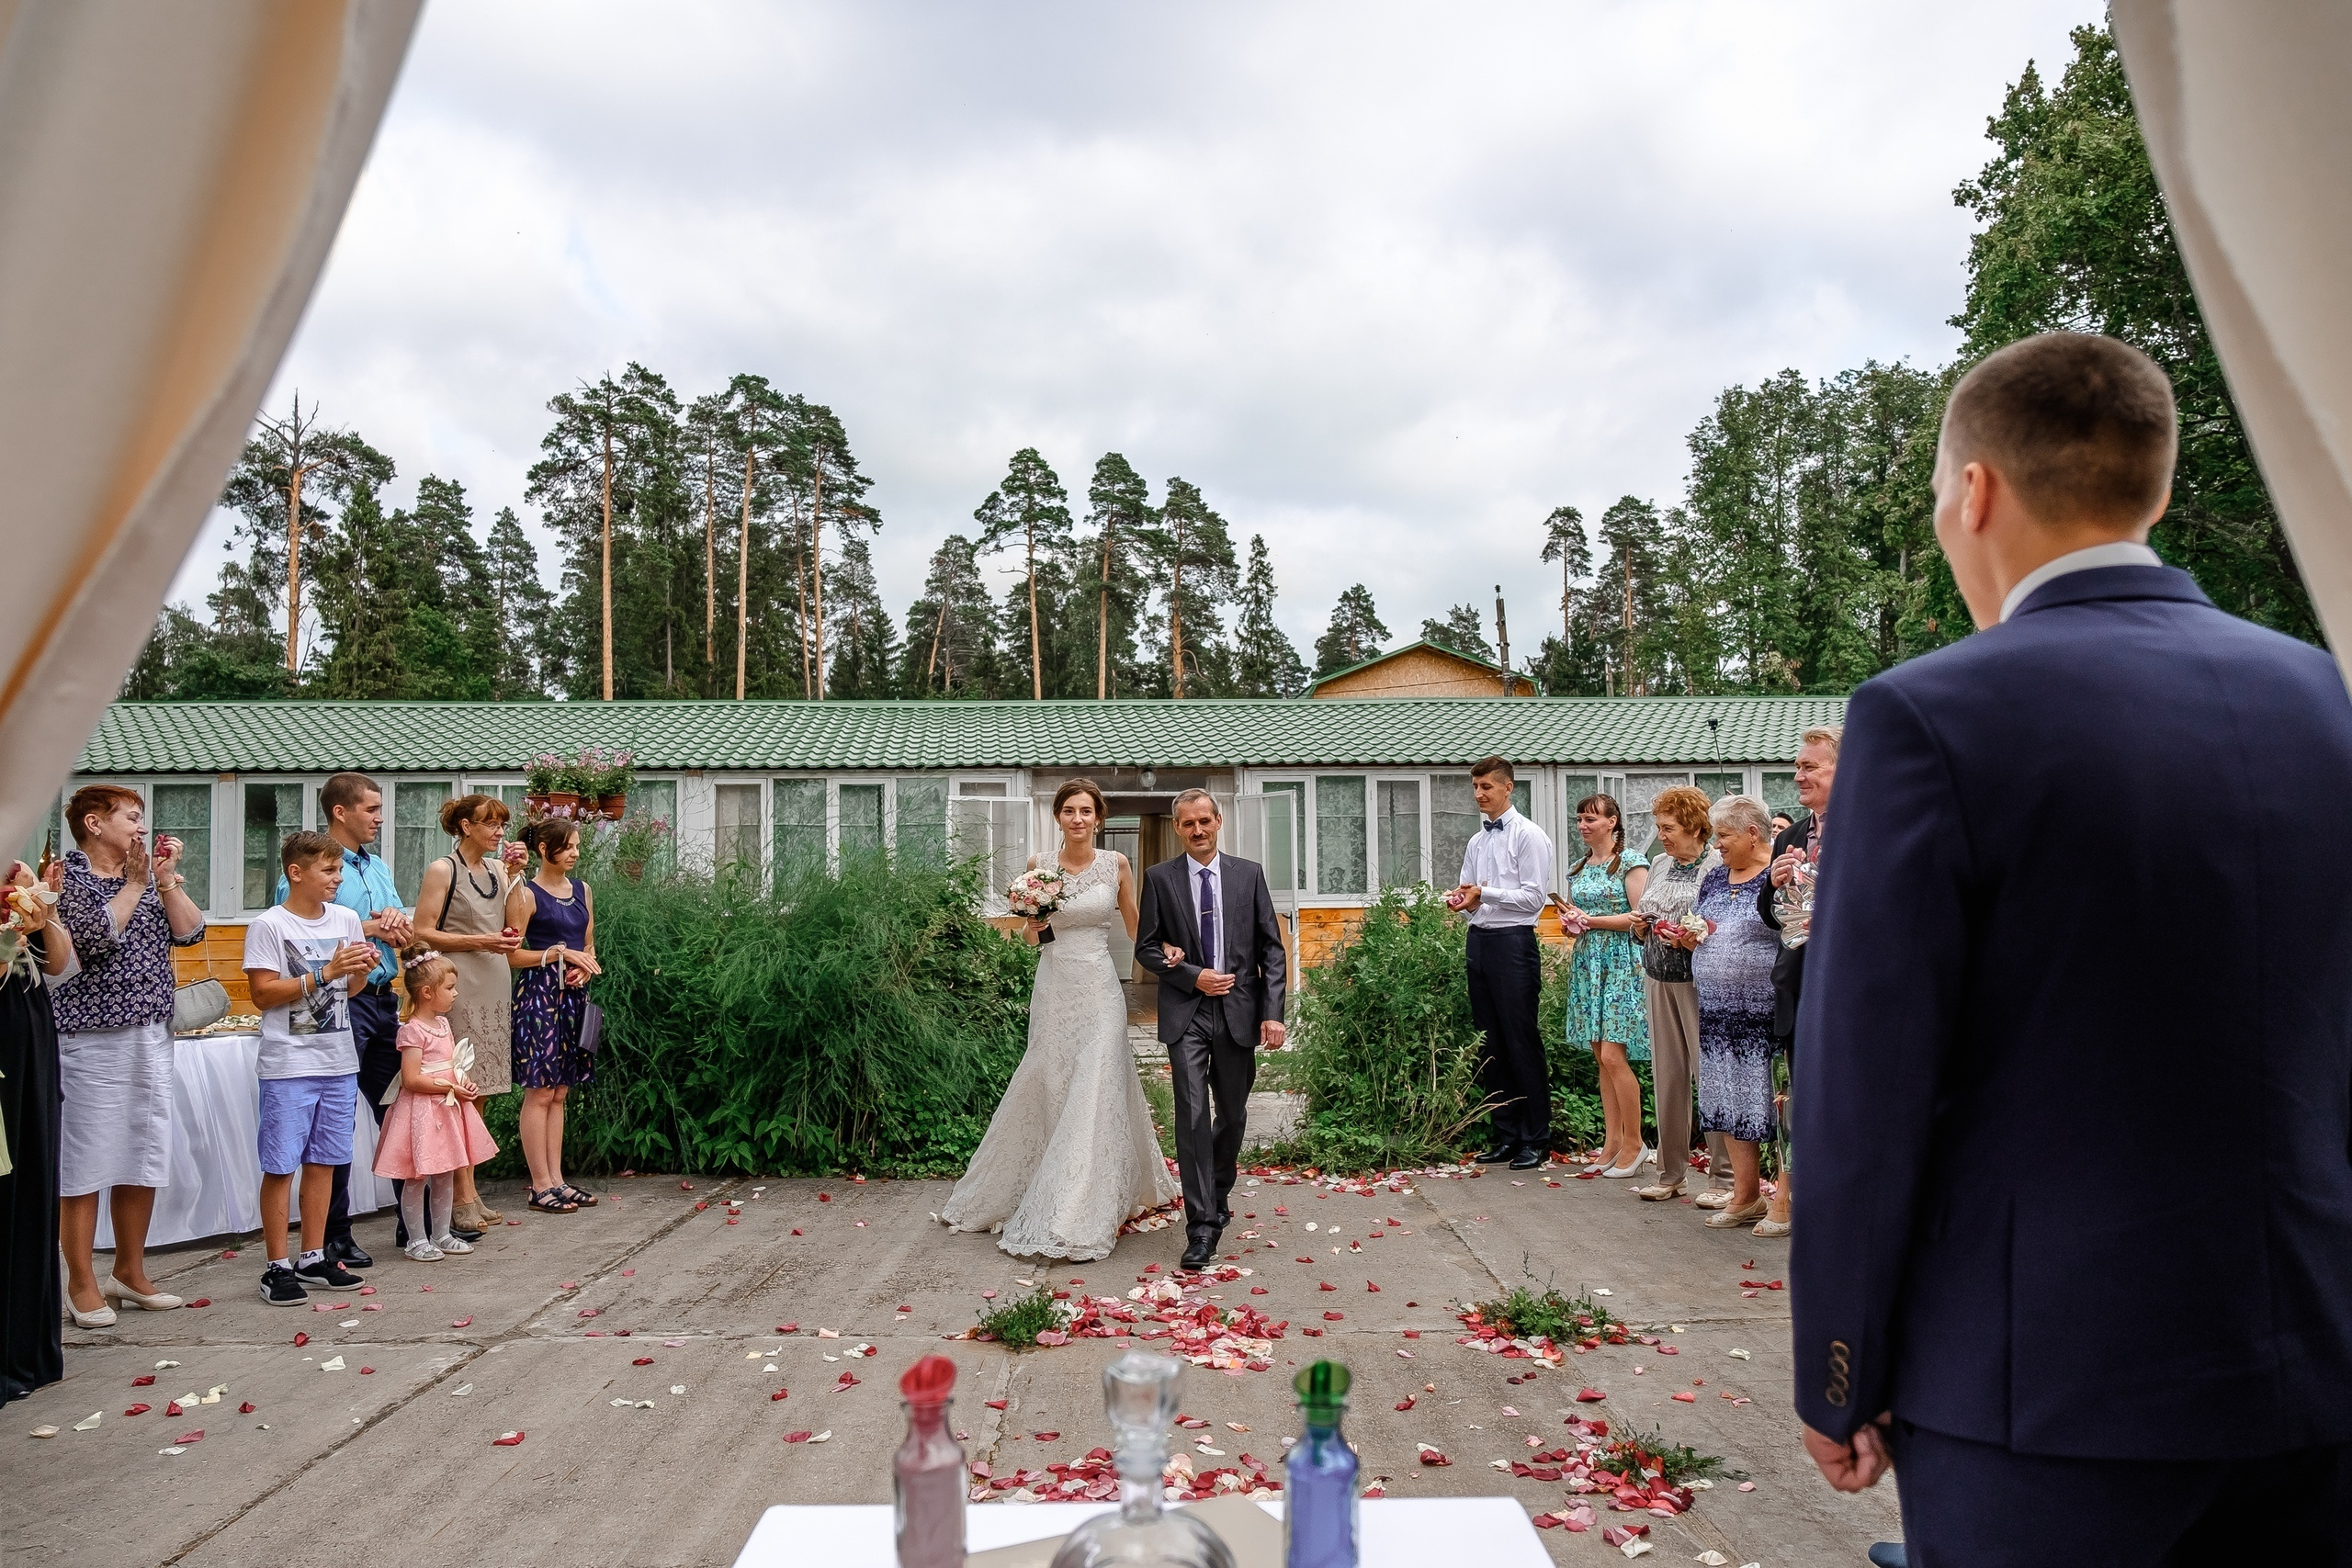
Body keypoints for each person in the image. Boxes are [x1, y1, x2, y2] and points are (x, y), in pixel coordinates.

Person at [1792, 333, 2352, 1561]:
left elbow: (1865, 1083)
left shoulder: (1929, 715)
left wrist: (1841, 1362)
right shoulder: (2322, 694)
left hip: (2039, 1392)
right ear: (2150, 486)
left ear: (1976, 490)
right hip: (2312, 1363)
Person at [943, 779, 1182, 1261]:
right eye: (1069, 810)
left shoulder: (1116, 865)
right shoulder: (1038, 869)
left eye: (1086, 811)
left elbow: (1137, 927)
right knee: (1052, 1081)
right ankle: (1047, 1183)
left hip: (1099, 990)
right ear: (1058, 816)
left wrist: (1169, 954)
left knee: (1097, 1083)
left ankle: (1083, 1201)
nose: (1078, 818)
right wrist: (1034, 926)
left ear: (1099, 818)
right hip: (1054, 989)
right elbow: (1034, 944)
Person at [53, 784, 205, 1325]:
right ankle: (81, 1282)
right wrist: (138, 884)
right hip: (89, 1039)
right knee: (87, 1162)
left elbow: (191, 933)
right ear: (94, 824)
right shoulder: (68, 877)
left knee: (142, 1156)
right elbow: (92, 940)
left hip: (150, 1032)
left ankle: (129, 1272)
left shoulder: (141, 878)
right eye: (132, 817)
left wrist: (162, 883)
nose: (142, 827)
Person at [1134, 788, 1288, 1270]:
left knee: (1234, 1114)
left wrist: (1273, 1011)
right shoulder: (1161, 878)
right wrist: (1188, 974)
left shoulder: (1249, 875)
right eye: (1187, 823)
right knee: (1193, 1114)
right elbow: (1146, 948)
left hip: (1240, 1012)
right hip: (1187, 1013)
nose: (1197, 830)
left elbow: (1271, 949)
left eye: (1204, 820)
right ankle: (1201, 1226)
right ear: (1177, 828)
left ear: (1218, 821)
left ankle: (1217, 1189)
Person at [285, 773, 416, 1266]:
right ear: (341, 812)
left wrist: (397, 925)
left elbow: (395, 919)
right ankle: (334, 1235)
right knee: (334, 1117)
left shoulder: (377, 865)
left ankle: (414, 1223)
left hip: (384, 996)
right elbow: (299, 921)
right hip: (339, 1002)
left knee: (403, 1106)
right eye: (372, 809)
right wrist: (370, 925)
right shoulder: (306, 866)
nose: (380, 818)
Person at [241, 830, 374, 1305]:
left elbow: (351, 992)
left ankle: (312, 1256)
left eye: (339, 870)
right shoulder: (269, 925)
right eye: (328, 870)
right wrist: (324, 972)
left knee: (325, 1163)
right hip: (288, 1065)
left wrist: (360, 969)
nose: (338, 879)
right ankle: (276, 1266)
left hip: (338, 1060)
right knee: (281, 1165)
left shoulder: (347, 919)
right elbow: (261, 995)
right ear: (295, 873)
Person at [413, 795, 526, 1233]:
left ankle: (470, 1193)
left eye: (501, 824)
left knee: (477, 1093)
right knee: (455, 1088)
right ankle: (460, 1198)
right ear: (464, 826)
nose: (499, 832)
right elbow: (423, 930)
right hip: (457, 984)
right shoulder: (444, 869)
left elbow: (515, 931)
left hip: (495, 980)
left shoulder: (498, 869)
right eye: (490, 823)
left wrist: (516, 878)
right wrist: (480, 940)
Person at [1451, 756, 1555, 1171]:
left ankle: (1536, 1137)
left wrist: (1485, 893)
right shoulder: (1477, 842)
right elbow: (1470, 895)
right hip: (1480, 941)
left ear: (1508, 787)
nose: (1479, 794)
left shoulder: (1529, 836)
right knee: (1490, 1045)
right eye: (1475, 787)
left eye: (1487, 787)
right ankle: (1506, 1135)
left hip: (1514, 944)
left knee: (1520, 1040)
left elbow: (1534, 898)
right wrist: (1462, 902)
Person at [1624, 786, 1728, 1203]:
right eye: (1659, 827)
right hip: (1657, 977)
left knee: (1710, 1077)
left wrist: (1693, 935)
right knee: (1667, 1076)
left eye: (1669, 828)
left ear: (1694, 827)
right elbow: (1646, 910)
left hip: (1698, 982)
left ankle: (1722, 1177)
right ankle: (1670, 1173)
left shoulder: (1717, 862)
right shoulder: (1661, 862)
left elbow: (1720, 924)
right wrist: (1640, 927)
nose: (1662, 836)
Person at [1755, 728, 1837, 1239]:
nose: (1798, 775)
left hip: (1848, 985)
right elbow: (1770, 917)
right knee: (1794, 1091)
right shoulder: (1787, 837)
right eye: (1798, 766)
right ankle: (1790, 1194)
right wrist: (1774, 881)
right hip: (1796, 981)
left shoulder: (1869, 828)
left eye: (1811, 767)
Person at [2, 855, 75, 1399]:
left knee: (32, 1177)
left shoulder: (16, 874)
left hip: (29, 1029)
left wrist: (41, 909)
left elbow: (58, 963)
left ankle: (26, 1344)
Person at [1688, 795, 1778, 1231]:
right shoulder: (1715, 879)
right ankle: (1746, 1196)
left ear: (1752, 833)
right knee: (1726, 1098)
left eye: (1723, 835)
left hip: (1763, 1011)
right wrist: (1688, 938)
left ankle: (1784, 1201)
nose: (1716, 845)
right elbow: (1705, 927)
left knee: (1769, 1104)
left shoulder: (1779, 876)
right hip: (1717, 1010)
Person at [372, 951, 497, 1261]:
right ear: (428, 993)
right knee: (417, 1176)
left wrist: (464, 1081)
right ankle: (416, 1239)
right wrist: (450, 1087)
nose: (456, 993)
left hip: (446, 1108)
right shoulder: (412, 1030)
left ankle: (441, 1233)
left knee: (445, 1172)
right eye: (450, 987)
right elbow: (412, 1078)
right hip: (422, 1111)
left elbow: (450, 1063)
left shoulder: (442, 1023)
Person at [506, 818, 600, 1215]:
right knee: (540, 1090)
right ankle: (539, 1185)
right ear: (544, 850)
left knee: (561, 1091)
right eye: (568, 846)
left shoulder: (583, 891)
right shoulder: (526, 893)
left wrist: (584, 965)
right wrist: (558, 955)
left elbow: (590, 945)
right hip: (538, 996)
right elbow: (509, 953)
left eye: (578, 845)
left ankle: (557, 1180)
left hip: (574, 996)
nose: (576, 853)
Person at [1556, 793, 1651, 1177]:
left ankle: (1636, 1142)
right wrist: (1572, 922)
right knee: (1600, 1057)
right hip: (1588, 962)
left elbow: (1640, 917)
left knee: (1614, 1055)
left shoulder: (1630, 862)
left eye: (1591, 819)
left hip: (1622, 962)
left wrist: (1590, 920)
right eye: (1579, 818)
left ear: (1612, 822)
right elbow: (1583, 916)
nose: (1583, 825)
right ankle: (1612, 1140)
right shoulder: (1579, 867)